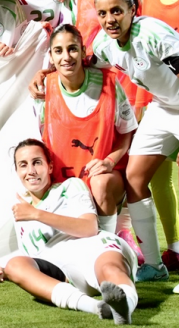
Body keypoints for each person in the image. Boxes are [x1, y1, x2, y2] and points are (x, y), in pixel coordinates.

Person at [92, 0, 179, 294]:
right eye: (103, 13)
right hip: (163, 105)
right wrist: (45, 74)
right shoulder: (103, 45)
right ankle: (153, 266)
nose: (110, 19)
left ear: (132, 11)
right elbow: (89, 65)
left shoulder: (153, 35)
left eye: (117, 11)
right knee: (134, 178)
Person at [0, 139, 138, 325]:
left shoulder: (70, 186)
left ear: (49, 167)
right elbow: (31, 257)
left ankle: (125, 305)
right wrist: (5, 272)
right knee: (15, 265)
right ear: (17, 171)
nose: (31, 171)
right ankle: (97, 307)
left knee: (109, 269)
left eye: (37, 162)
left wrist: (37, 214)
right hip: (63, 271)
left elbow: (89, 228)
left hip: (95, 248)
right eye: (23, 165)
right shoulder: (20, 209)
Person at [34, 25, 138, 254]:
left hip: (105, 177)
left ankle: (109, 249)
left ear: (83, 51)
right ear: (51, 56)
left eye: (72, 49)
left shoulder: (109, 83)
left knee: (100, 183)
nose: (66, 57)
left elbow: (127, 132)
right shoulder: (43, 89)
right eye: (58, 51)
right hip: (65, 183)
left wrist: (109, 162)